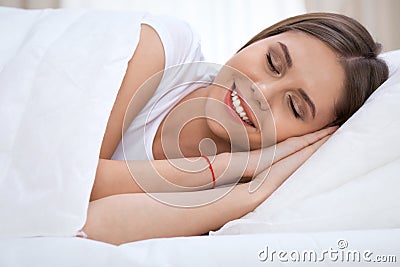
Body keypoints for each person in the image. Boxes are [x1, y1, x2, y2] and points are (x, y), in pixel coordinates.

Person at [80, 12, 388, 245]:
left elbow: (85, 229)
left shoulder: (237, 197)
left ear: (310, 137)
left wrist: (252, 194)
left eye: (294, 107)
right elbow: (68, 188)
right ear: (260, 39)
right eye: (272, 62)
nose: (261, 91)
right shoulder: (164, 50)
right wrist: (222, 166)